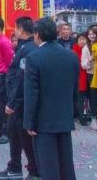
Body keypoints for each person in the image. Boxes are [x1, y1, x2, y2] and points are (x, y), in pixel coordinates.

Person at [24, 17, 79, 180]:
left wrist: (29, 121)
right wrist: (73, 112)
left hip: (43, 119)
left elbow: (32, 93)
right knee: (66, 162)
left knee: (48, 165)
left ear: (38, 34)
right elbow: (74, 89)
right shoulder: (70, 56)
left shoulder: (34, 58)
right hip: (64, 116)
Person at [0, 17, 39, 179]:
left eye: (15, 28)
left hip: (20, 103)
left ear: (21, 29)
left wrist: (13, 103)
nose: (14, 31)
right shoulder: (23, 47)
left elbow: (22, 79)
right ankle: (14, 167)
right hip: (15, 100)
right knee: (14, 135)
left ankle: (34, 170)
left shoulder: (28, 49)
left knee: (25, 138)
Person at [81, 25, 97, 131]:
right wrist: (91, 60)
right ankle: (94, 120)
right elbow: (83, 65)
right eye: (89, 34)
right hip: (92, 74)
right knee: (94, 97)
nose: (91, 36)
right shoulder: (86, 47)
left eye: (93, 33)